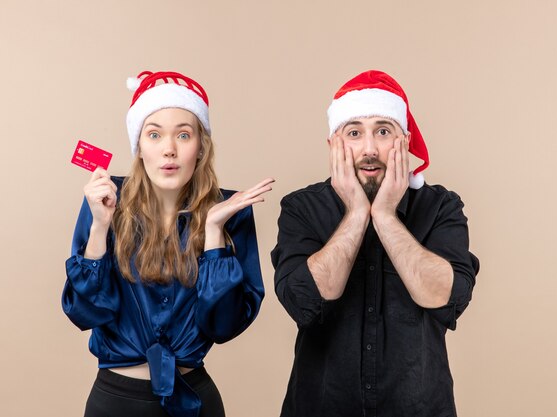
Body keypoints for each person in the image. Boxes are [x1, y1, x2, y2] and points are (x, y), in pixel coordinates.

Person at [63, 70, 273, 417]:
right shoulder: (105, 202)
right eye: (155, 134)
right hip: (116, 403)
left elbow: (223, 326)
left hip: (195, 400)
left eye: (184, 134)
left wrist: (214, 234)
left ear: (201, 146)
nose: (169, 149)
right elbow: (85, 313)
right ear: (139, 146)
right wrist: (100, 228)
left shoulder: (230, 211)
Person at [271, 70, 480, 417]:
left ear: (405, 140)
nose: (369, 149)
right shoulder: (301, 208)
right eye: (354, 133)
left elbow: (446, 296)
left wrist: (384, 215)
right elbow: (303, 301)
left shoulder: (441, 207)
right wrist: (355, 214)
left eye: (383, 131)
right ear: (333, 145)